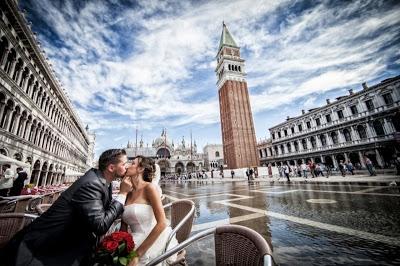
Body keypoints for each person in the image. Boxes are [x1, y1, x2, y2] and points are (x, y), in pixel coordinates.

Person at [1, 149, 132, 266]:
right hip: (45, 250)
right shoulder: (92, 184)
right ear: (111, 167)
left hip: (67, 244)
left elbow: (104, 209)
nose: (127, 167)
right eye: (124, 164)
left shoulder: (103, 181)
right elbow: (100, 225)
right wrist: (123, 194)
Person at [121, 156, 178, 266]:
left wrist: (137, 255)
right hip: (132, 240)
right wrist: (118, 244)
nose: (127, 165)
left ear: (141, 169)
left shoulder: (149, 188)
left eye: (132, 163)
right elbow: (123, 227)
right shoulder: (127, 191)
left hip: (152, 240)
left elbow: (162, 223)